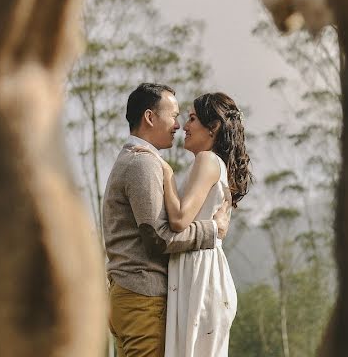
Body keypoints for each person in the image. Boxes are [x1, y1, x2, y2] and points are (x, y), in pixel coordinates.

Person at [102, 83, 230, 357]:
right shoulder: (143, 164)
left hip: (131, 295)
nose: (178, 124)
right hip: (143, 297)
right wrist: (212, 231)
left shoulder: (139, 160)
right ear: (150, 117)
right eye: (173, 115)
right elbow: (157, 236)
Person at [136, 91, 252, 357]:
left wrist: (164, 172)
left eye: (192, 119)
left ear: (213, 127)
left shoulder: (207, 160)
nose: (184, 127)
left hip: (201, 274)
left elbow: (178, 220)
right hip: (198, 269)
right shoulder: (214, 164)